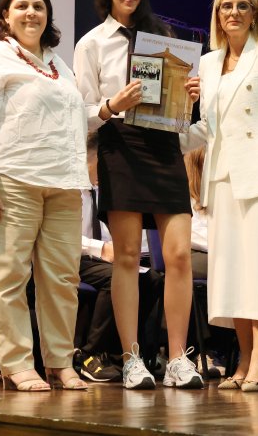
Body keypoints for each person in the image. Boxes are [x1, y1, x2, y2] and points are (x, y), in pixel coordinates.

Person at [74, 0, 203, 389]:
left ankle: (178, 358)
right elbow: (81, 113)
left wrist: (191, 97)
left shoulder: (162, 38)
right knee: (127, 257)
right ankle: (131, 359)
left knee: (179, 256)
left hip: (164, 146)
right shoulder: (91, 43)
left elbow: (180, 108)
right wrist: (113, 105)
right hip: (121, 146)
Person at [0, 0, 90, 392]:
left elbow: (75, 120)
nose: (31, 12)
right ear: (6, 16)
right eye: (22, 6)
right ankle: (17, 364)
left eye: (38, 6)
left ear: (48, 16)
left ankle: (60, 362)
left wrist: (108, 109)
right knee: (8, 278)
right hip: (12, 179)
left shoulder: (59, 64)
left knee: (63, 280)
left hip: (64, 184)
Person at [179, 0, 258, 392]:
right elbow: (208, 128)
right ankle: (244, 358)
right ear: (217, 16)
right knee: (232, 271)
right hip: (222, 177)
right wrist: (166, 124)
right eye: (225, 6)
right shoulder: (208, 63)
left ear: (254, 13)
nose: (233, 12)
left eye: (241, 6)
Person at [75, 132, 164, 382]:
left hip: (98, 258)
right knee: (115, 277)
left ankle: (124, 353)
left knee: (151, 278)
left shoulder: (101, 191)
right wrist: (100, 248)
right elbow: (62, 236)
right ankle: (89, 354)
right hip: (74, 257)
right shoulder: (72, 189)